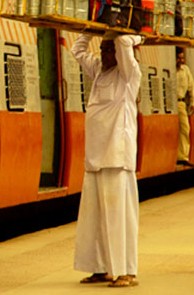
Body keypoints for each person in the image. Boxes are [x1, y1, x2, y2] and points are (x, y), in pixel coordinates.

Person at [71, 31, 142, 288]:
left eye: (107, 49)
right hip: (95, 159)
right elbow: (76, 51)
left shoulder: (129, 75)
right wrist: (89, 31)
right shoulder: (99, 71)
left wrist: (134, 36)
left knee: (119, 217)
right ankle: (101, 269)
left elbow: (124, 42)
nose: (103, 53)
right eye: (101, 49)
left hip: (117, 158)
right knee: (94, 219)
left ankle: (127, 271)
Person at [176, 50, 194, 167]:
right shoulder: (172, 70)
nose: (181, 61)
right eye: (179, 58)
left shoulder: (185, 70)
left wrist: (193, 102)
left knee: (185, 128)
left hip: (180, 103)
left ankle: (183, 156)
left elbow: (191, 87)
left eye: (182, 58)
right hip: (171, 102)